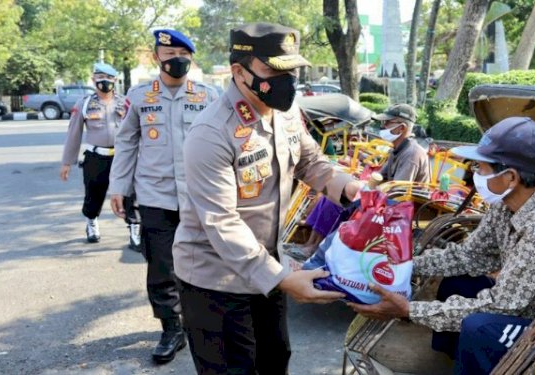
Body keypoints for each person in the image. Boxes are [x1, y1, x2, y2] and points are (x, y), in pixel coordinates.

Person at [349, 117, 535, 374]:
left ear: (511, 177)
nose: (475, 174)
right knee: (456, 283)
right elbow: (469, 257)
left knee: (479, 328)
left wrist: (409, 310)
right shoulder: (506, 204)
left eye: (481, 168)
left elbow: (503, 306)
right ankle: (454, 364)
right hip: (533, 299)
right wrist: (405, 264)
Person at [172, 22, 362, 374]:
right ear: (238, 72)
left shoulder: (286, 111)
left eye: (291, 70)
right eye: (273, 70)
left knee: (275, 361)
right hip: (216, 282)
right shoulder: (211, 132)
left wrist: (346, 186)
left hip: (267, 269)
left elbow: (310, 161)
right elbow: (221, 221)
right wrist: (282, 279)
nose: (286, 80)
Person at [108, 29, 218, 364]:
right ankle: (171, 327)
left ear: (191, 58)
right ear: (158, 57)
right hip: (155, 196)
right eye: (169, 56)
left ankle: (200, 322)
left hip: (199, 196)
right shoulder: (140, 97)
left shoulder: (209, 96)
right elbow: (127, 142)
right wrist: (118, 186)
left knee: (205, 261)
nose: (176, 61)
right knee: (160, 266)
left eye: (182, 55)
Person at [299, 103, 431, 254]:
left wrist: (367, 192)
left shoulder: (412, 153)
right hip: (386, 197)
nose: (383, 126)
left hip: (400, 208)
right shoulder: (396, 149)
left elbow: (398, 192)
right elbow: (381, 176)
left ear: (401, 128)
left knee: (343, 204)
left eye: (387, 123)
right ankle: (311, 244)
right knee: (332, 197)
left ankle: (319, 249)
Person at [59, 62, 140, 248]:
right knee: (93, 193)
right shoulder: (85, 104)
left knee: (130, 193)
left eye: (110, 78)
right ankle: (92, 222)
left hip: (123, 157)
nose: (105, 81)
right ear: (93, 79)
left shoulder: (125, 102)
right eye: (101, 77)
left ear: (115, 80)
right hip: (96, 157)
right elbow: (74, 133)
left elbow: (137, 130)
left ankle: (135, 228)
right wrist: (67, 162)